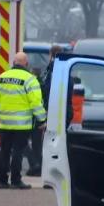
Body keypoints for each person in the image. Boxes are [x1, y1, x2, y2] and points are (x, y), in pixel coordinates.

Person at [0, 51, 47, 190]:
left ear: (13, 63)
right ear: (26, 64)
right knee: (18, 152)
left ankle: (2, 181)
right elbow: (36, 103)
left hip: (4, 124)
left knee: (4, 151)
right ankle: (16, 180)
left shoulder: (1, 78)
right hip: (22, 125)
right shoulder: (30, 79)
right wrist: (42, 120)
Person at [27, 45, 64, 177]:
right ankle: (38, 166)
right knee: (37, 142)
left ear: (51, 54)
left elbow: (47, 92)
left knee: (28, 141)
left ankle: (38, 166)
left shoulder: (53, 70)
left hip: (44, 112)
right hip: (44, 111)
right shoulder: (55, 69)